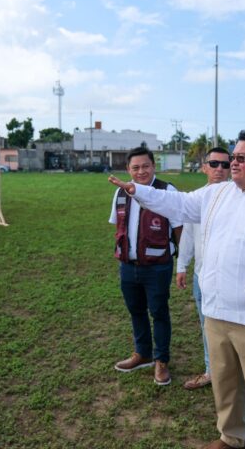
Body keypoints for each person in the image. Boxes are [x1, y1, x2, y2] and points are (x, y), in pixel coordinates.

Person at [109, 129, 245, 449]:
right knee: (224, 382)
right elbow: (177, 203)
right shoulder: (217, 194)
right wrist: (139, 190)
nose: (232, 163)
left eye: (240, 158)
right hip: (215, 308)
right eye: (231, 158)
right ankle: (232, 436)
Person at [108, 146, 183, 386]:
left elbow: (179, 226)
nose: (141, 171)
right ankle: (143, 353)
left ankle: (161, 360)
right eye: (135, 167)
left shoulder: (167, 190)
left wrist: (181, 260)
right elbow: (118, 225)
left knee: (159, 312)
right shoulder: (120, 193)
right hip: (128, 266)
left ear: (154, 166)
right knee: (136, 310)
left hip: (158, 265)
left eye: (146, 166)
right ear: (128, 169)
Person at [176, 147, 232, 390]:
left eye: (225, 165)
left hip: (230, 277)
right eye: (214, 164)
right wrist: (181, 266)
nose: (219, 169)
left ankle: (234, 373)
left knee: (235, 328)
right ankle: (212, 370)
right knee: (206, 325)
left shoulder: (238, 198)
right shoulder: (195, 199)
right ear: (204, 167)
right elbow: (188, 235)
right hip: (201, 276)